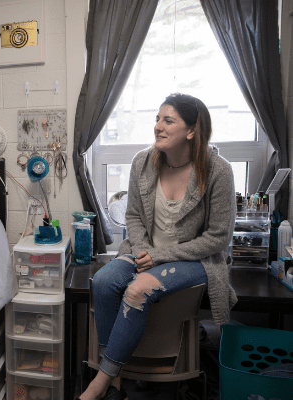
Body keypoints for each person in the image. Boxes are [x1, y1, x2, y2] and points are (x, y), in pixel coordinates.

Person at [78, 93, 238, 400]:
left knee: (138, 290)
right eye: (157, 119)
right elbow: (134, 216)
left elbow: (217, 238)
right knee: (103, 281)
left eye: (168, 120)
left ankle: (101, 382)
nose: (158, 127)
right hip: (144, 251)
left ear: (192, 130)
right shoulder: (143, 162)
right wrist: (141, 252)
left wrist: (159, 256)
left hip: (195, 259)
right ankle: (113, 376)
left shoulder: (218, 171)